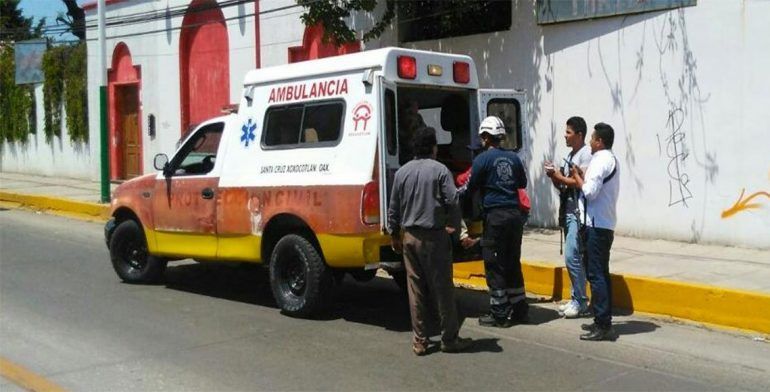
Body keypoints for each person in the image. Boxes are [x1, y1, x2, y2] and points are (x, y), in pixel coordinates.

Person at [387, 126, 473, 355]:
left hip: (409, 237)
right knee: (442, 289)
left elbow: (393, 208)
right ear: (433, 147)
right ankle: (449, 338)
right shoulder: (440, 170)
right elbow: (453, 200)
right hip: (435, 237)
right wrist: (454, 229)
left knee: (416, 290)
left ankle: (420, 341)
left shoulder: (402, 172)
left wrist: (394, 234)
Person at [465, 116, 529, 327]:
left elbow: (471, 187)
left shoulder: (482, 160)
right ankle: (520, 309)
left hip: (496, 217)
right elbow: (522, 182)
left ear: (485, 137)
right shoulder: (513, 158)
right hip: (514, 216)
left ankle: (500, 312)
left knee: (494, 264)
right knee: (512, 261)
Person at [571, 122, 620, 341]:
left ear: (599, 141)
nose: (590, 142)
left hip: (596, 225)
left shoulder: (601, 161)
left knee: (596, 274)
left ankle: (603, 324)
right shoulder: (609, 159)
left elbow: (590, 192)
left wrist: (577, 176)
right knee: (601, 274)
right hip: (602, 224)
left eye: (592, 138)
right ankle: (603, 319)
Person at [544, 116, 592, 318]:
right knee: (575, 258)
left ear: (579, 135)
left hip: (579, 213)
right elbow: (564, 185)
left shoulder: (586, 155)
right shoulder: (571, 155)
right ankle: (576, 298)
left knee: (572, 256)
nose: (565, 135)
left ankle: (580, 301)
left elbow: (579, 181)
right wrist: (554, 176)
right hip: (569, 211)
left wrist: (559, 176)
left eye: (569, 132)